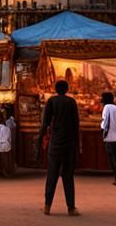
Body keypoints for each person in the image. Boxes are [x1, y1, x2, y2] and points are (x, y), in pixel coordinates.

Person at [36, 79, 80, 216]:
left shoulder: (51, 102)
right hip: (69, 144)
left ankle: (47, 206)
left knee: (52, 175)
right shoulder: (72, 102)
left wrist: (39, 139)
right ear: (67, 89)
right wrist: (77, 145)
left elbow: (45, 124)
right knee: (68, 176)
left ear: (56, 89)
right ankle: (71, 208)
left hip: (55, 144)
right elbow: (76, 125)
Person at [0, 108, 14, 178]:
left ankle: (4, 171)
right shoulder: (8, 127)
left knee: (3, 158)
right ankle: (8, 171)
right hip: (7, 144)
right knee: (7, 158)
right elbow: (9, 137)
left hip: (1, 144)